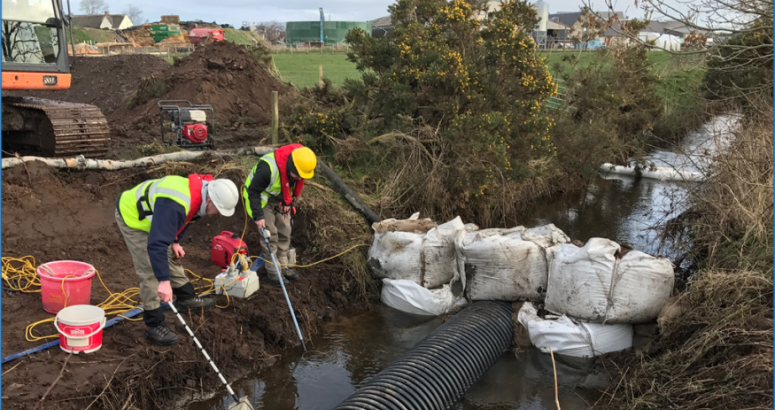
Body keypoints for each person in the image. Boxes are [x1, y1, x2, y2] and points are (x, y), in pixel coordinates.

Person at [115, 173, 239, 345]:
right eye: (218, 210)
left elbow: (186, 220)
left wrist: (175, 241)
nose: (218, 214)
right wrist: (164, 282)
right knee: (151, 268)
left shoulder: (202, 194)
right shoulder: (176, 204)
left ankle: (185, 297)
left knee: (171, 255)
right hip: (133, 217)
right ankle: (154, 323)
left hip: (157, 217)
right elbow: (156, 245)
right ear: (210, 201)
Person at [243, 144, 316, 287]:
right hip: (260, 199)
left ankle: (283, 267)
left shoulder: (298, 169)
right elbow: (253, 192)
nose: (301, 178)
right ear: (291, 166)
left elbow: (290, 187)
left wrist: (288, 203)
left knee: (285, 230)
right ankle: (274, 273)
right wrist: (259, 217)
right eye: (298, 175)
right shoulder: (268, 168)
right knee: (270, 235)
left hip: (279, 199)